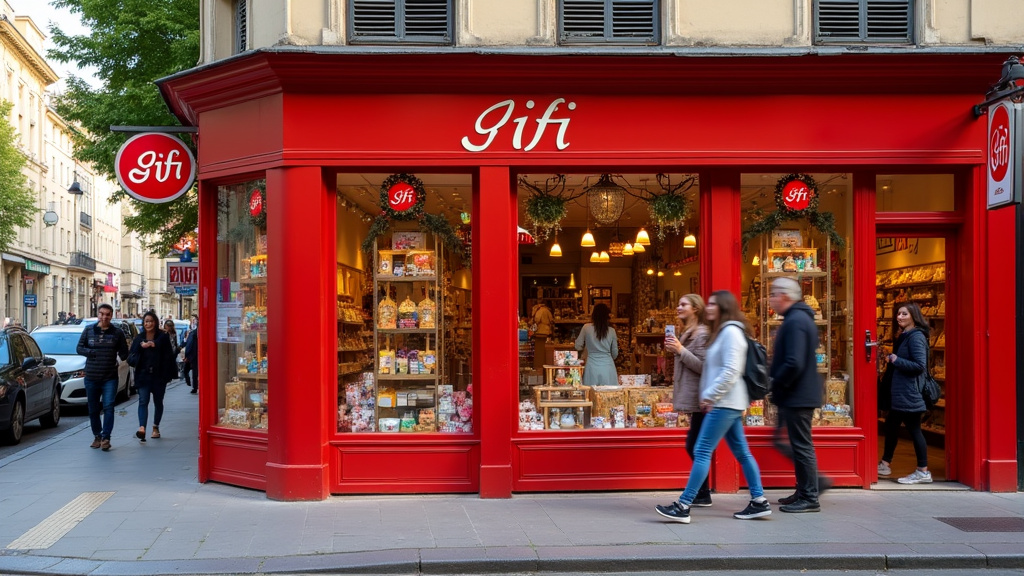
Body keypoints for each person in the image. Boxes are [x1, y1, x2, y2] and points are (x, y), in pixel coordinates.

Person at [655, 290, 770, 523]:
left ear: (723, 308)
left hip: (724, 402)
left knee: (702, 450)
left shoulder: (730, 333)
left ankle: (684, 504)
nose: (708, 307)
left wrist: (709, 395)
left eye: (712, 304)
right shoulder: (723, 332)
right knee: (742, 452)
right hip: (729, 401)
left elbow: (730, 371)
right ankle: (759, 501)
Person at [768, 277, 830, 513]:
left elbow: (793, 362)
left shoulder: (796, 321)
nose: (771, 299)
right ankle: (806, 488)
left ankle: (810, 494)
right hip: (795, 393)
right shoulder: (797, 318)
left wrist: (775, 381)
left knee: (801, 445)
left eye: (773, 294)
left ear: (784, 296)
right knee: (793, 443)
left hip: (797, 394)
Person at [664, 294, 711, 506]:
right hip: (696, 398)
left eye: (683, 304)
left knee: (695, 446)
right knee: (696, 445)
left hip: (701, 398)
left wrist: (680, 350)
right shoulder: (688, 332)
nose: (678, 307)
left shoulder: (701, 334)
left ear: (695, 308)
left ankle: (699, 494)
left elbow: (704, 366)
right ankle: (702, 493)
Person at [878, 302, 932, 484]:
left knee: (914, 429)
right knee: (891, 425)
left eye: (904, 314)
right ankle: (885, 463)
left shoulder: (915, 337)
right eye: (898, 314)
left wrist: (895, 359)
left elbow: (919, 366)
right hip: (901, 392)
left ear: (913, 316)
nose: (899, 317)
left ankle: (923, 470)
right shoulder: (904, 335)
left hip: (910, 393)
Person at [76, 303, 130, 451]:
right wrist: (91, 352)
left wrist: (123, 356)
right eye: (102, 314)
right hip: (92, 376)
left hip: (110, 377)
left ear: (111, 316)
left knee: (108, 407)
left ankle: (106, 437)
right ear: (98, 315)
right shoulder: (88, 330)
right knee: (93, 409)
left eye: (107, 314)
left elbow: (124, 353)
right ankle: (97, 436)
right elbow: (79, 348)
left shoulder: (117, 333)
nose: (104, 317)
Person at [130, 311, 177, 442]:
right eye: (146, 321)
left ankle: (155, 427)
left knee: (158, 402)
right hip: (143, 375)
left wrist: (152, 344)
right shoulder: (139, 338)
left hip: (158, 376)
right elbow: (132, 353)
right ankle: (142, 428)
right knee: (143, 401)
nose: (148, 323)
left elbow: (169, 354)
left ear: (155, 322)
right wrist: (141, 347)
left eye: (150, 321)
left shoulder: (162, 336)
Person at [574, 303, 618, 386]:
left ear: (593, 314)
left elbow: (578, 346)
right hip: (608, 366)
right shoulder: (612, 331)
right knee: (609, 395)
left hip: (591, 366)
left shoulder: (586, 328)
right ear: (607, 316)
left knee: (591, 394)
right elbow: (615, 353)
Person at [532, 300, 554, 370]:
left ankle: (539, 365)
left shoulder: (540, 310)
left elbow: (537, 319)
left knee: (539, 349)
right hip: (547, 330)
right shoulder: (547, 310)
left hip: (541, 331)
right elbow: (551, 320)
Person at [183, 314, 199, 394]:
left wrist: (186, 356)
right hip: (195, 355)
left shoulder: (192, 333)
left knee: (193, 373)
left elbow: (189, 345)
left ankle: (194, 387)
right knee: (194, 372)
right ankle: (195, 386)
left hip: (193, 356)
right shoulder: (193, 333)